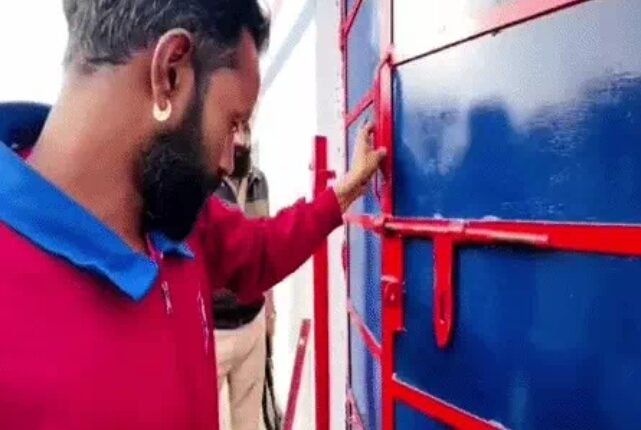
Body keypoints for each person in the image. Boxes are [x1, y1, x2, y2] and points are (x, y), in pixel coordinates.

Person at [0, 1, 384, 430]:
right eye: (233, 121)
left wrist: (346, 191)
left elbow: (260, 249)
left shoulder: (177, 213)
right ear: (170, 74)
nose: (228, 161)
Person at [213, 133, 280, 430]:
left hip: (253, 321)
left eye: (245, 129)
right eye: (234, 128)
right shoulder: (204, 183)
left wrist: (270, 310)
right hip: (214, 328)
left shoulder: (259, 181)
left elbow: (266, 249)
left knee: (249, 423)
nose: (240, 137)